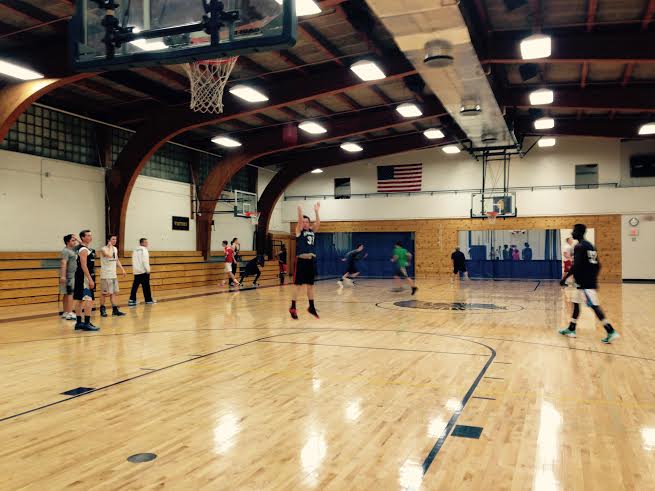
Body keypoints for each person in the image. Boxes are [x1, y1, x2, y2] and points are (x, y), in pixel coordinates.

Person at [558, 223, 620, 344]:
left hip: (585, 283)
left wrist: (564, 279)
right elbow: (598, 265)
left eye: (574, 231)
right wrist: (592, 278)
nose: (572, 233)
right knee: (575, 304)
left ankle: (610, 330)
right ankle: (571, 328)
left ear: (580, 232)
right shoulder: (590, 246)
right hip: (583, 282)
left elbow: (576, 266)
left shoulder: (579, 246)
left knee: (594, 306)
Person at [289, 202, 320, 319]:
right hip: (301, 262)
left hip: (310, 262)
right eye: (303, 222)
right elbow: (299, 222)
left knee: (310, 286)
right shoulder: (299, 231)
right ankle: (293, 307)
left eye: (307, 222)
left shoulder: (312, 231)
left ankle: (311, 307)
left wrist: (317, 211)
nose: (305, 223)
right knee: (297, 286)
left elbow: (318, 223)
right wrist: (300, 211)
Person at [73, 230, 99, 331]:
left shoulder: (82, 248)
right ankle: (87, 323)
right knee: (89, 299)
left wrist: (79, 241)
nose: (90, 237)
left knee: (80, 299)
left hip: (80, 276)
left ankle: (79, 323)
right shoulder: (83, 250)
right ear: (83, 237)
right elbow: (84, 265)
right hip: (85, 277)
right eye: (88, 235)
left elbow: (82, 245)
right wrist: (90, 279)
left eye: (91, 235)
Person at [99, 235, 127, 317]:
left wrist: (122, 269)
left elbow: (116, 259)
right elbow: (109, 255)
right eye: (113, 239)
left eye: (116, 239)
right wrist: (110, 246)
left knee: (113, 293)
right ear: (108, 240)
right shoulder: (103, 249)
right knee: (104, 293)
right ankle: (102, 309)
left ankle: (115, 310)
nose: (115, 241)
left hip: (113, 274)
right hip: (105, 275)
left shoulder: (115, 249)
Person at [129, 238, 156, 306]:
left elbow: (133, 260)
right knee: (146, 286)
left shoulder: (134, 250)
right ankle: (148, 300)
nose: (147, 244)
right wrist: (148, 270)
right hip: (143, 271)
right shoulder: (144, 250)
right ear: (142, 243)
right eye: (146, 242)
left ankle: (132, 300)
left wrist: (135, 269)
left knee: (135, 286)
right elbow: (145, 261)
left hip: (136, 271)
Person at [59, 234, 78, 321]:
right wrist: (63, 276)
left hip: (72, 275)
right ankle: (69, 312)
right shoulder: (66, 251)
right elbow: (64, 263)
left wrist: (76, 238)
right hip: (69, 276)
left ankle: (66, 312)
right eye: (72, 240)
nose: (74, 242)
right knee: (70, 293)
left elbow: (82, 245)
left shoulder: (72, 250)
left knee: (67, 293)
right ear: (67, 242)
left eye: (75, 240)